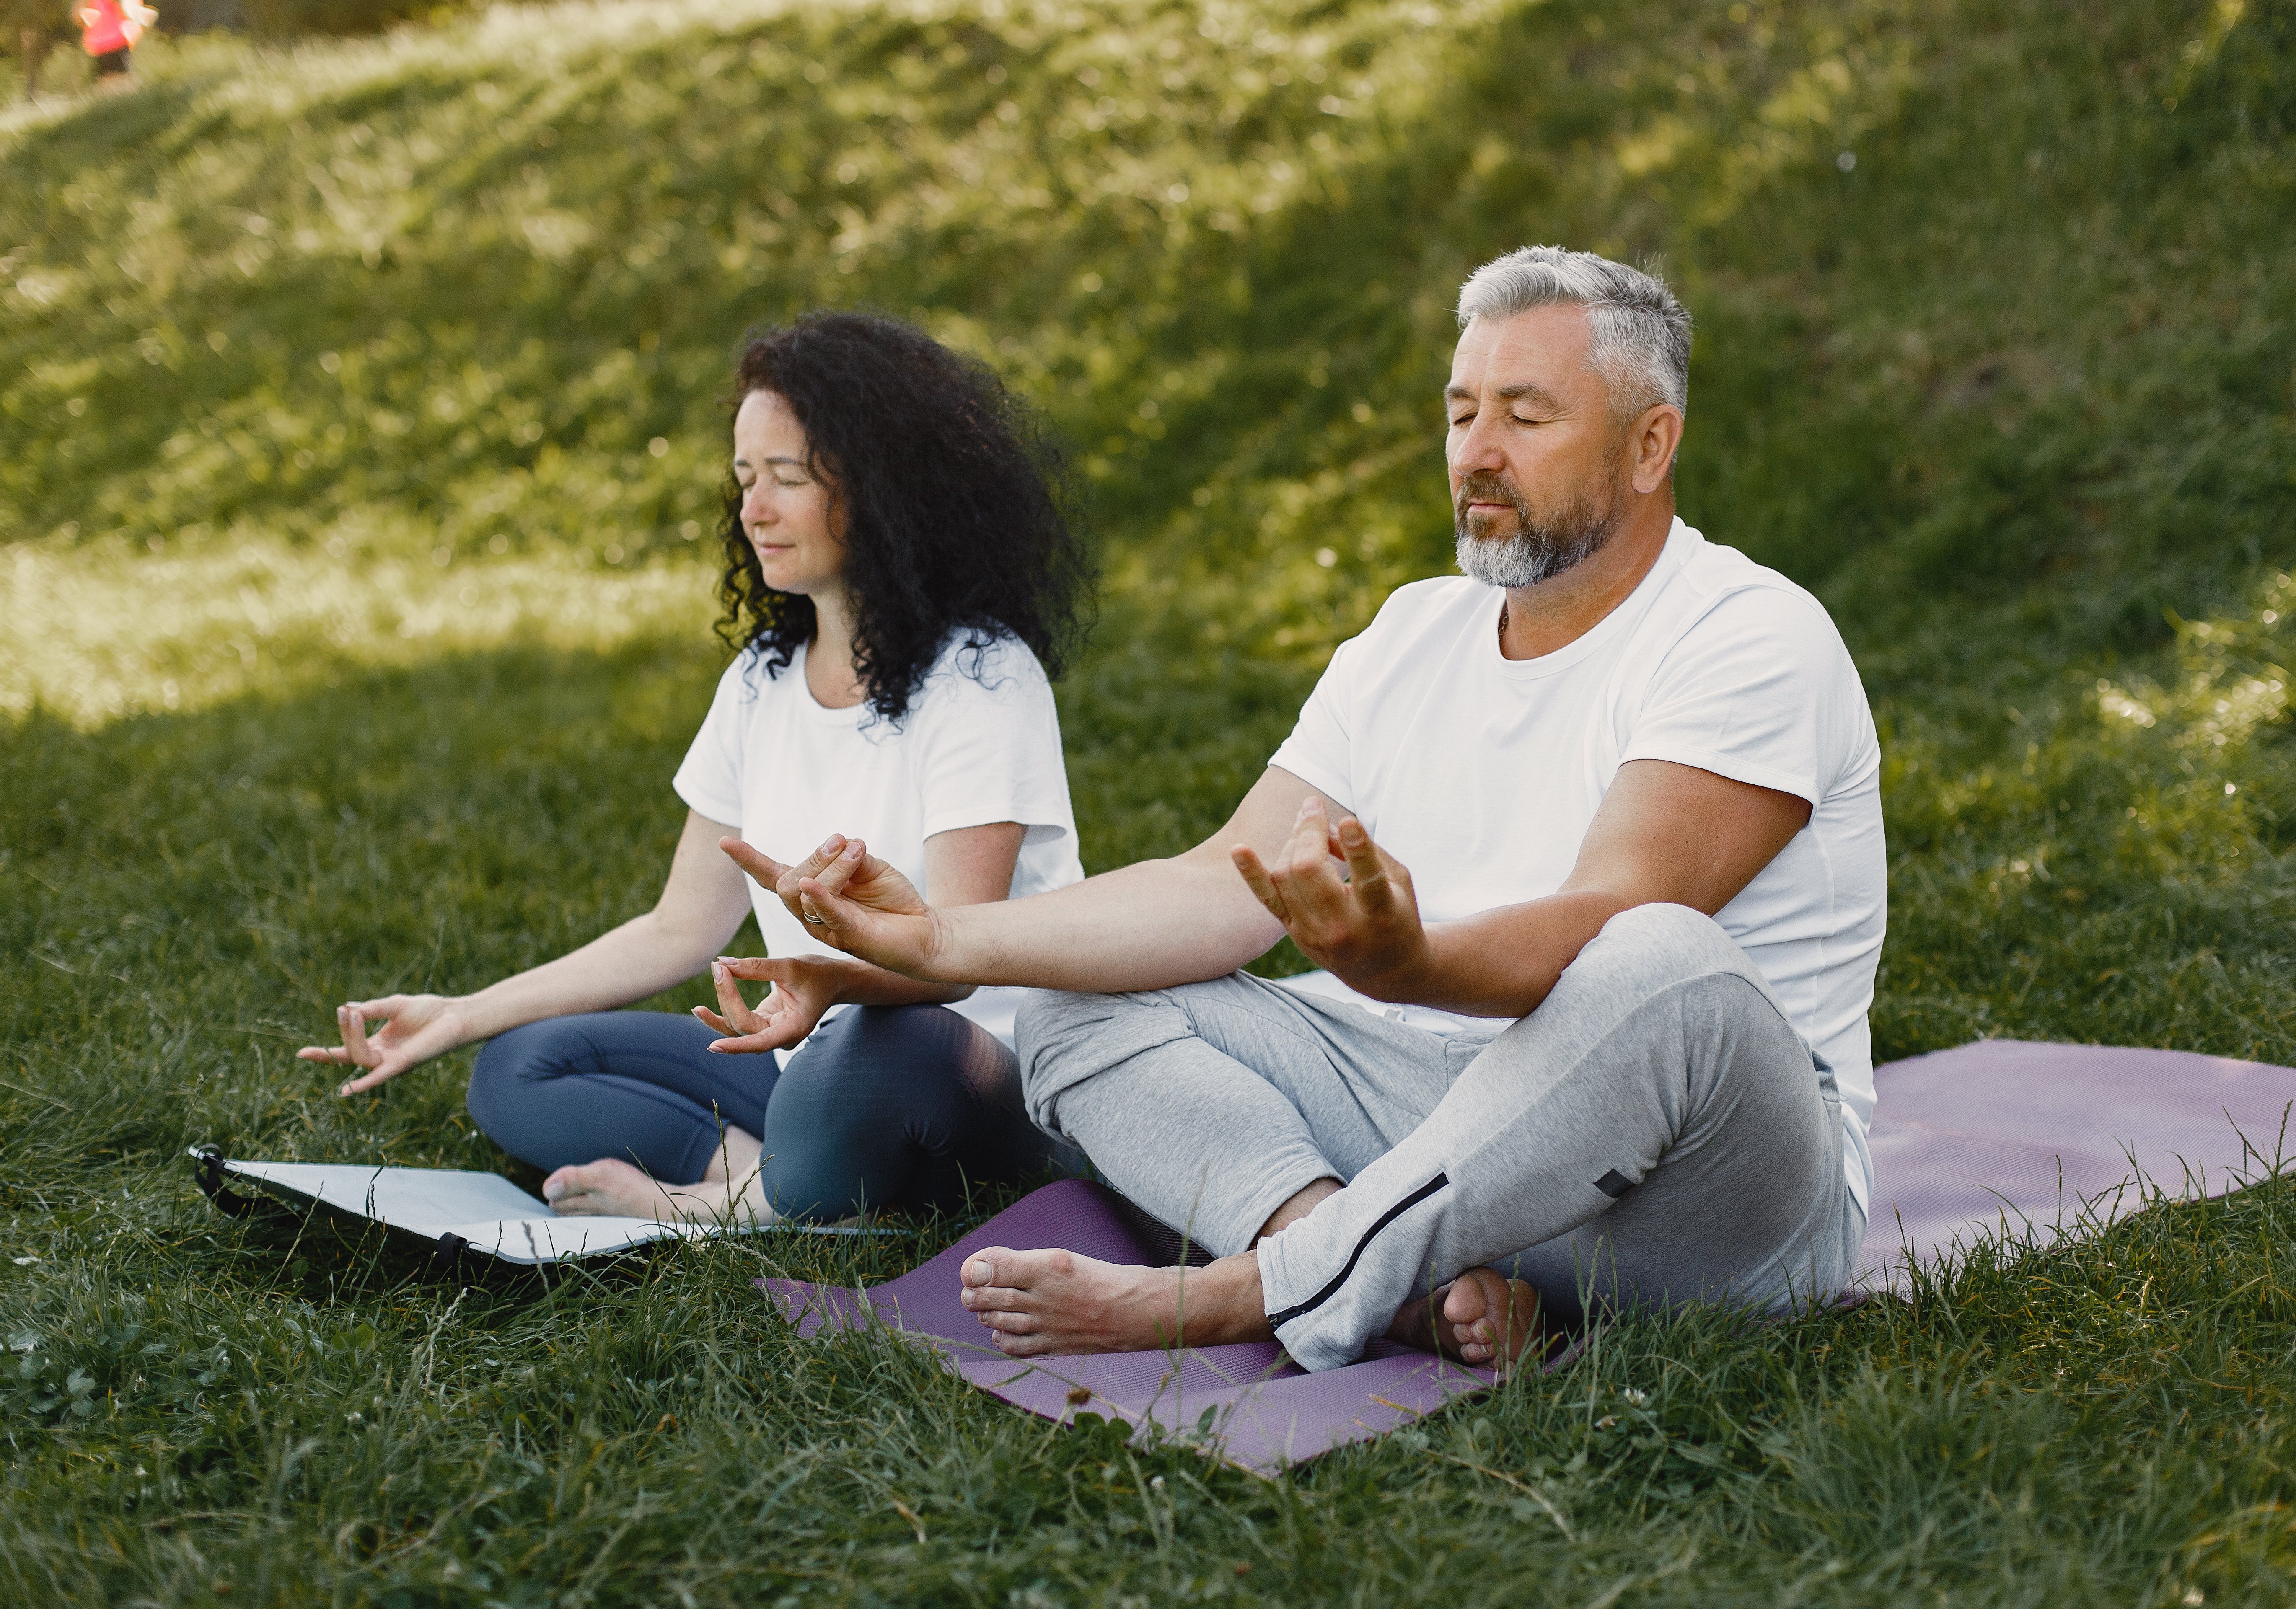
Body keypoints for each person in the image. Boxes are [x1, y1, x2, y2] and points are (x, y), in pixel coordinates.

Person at [729, 247, 1885, 1371]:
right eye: (1459, 413)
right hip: (1441, 1139)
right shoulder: (1409, 636)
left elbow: (1603, 920)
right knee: (1080, 1007)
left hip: (1703, 1199)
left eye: (1525, 419)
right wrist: (937, 937)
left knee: (1661, 962)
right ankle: (1382, 1278)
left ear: (1650, 446)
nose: (1476, 454)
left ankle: (1256, 1290)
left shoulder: (1750, 636)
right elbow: (1220, 882)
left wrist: (1408, 961)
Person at [300, 312, 1092, 1227]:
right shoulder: (761, 681)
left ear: (888, 492)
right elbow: (680, 928)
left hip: (965, 1072)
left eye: (788, 479)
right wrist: (466, 1011)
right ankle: (755, 1176)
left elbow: (952, 963)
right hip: (803, 1058)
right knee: (520, 1067)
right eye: (745, 477)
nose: (753, 509)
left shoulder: (982, 678)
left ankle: (714, 1208)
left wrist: (827, 980)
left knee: (880, 1050)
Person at [75, 0, 150, 93]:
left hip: (100, 44)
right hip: (116, 40)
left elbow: (77, 17)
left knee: (108, 80)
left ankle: (114, 103)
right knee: (123, 79)